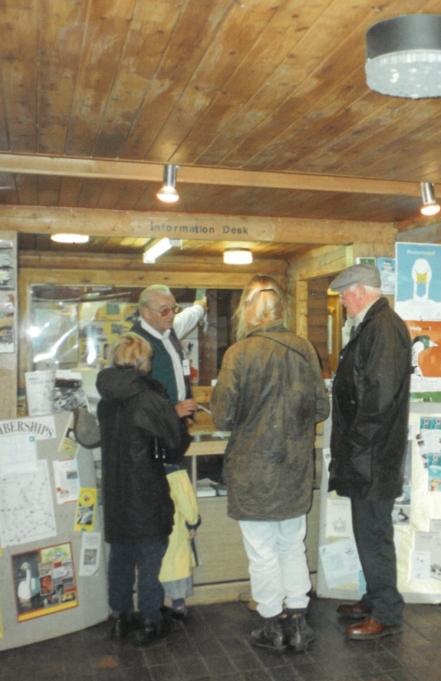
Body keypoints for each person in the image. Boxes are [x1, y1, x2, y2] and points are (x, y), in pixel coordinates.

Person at [210, 276, 330, 653]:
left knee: (261, 551)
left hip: (252, 467)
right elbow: (321, 407)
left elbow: (223, 416)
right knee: (292, 544)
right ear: (281, 309)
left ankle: (271, 626)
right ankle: (298, 622)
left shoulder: (239, 354)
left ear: (248, 310)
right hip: (293, 464)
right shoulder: (303, 348)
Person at [328, 264, 411, 640]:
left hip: (372, 456)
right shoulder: (377, 325)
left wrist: (354, 445)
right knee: (369, 531)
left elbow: (377, 399)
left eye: (344, 294)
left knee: (374, 533)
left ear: (360, 290)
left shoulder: (381, 327)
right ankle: (375, 597)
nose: (342, 301)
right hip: (370, 454)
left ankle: (387, 613)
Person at [97, 333, 191, 644]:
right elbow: (175, 444)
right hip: (147, 490)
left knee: (121, 558)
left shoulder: (105, 402)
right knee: (151, 559)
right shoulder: (150, 399)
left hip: (116, 493)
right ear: (144, 362)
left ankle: (120, 618)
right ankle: (151, 619)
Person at [130, 284, 207, 418]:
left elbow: (187, 318)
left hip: (176, 423)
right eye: (164, 310)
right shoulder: (133, 345)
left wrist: (200, 307)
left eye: (173, 308)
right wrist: (171, 412)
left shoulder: (168, 330)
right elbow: (133, 400)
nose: (171, 315)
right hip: (154, 429)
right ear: (146, 312)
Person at [158, 463, 201, 621]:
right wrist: (193, 522)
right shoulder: (176, 473)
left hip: (152, 531)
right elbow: (186, 503)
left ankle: (155, 603)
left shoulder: (144, 468)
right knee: (176, 564)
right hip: (174, 529)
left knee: (157, 567)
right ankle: (178, 604)